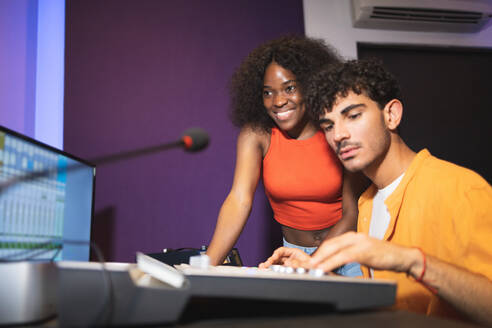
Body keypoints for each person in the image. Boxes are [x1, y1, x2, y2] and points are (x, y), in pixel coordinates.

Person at [260, 58, 492, 325]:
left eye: (353, 116)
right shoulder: (367, 204)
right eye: (329, 125)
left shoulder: (460, 188)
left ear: (391, 115)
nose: (339, 135)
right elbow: (390, 305)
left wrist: (412, 261)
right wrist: (312, 273)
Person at [206, 36, 365, 276]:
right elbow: (239, 201)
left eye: (289, 88)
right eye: (268, 92)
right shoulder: (257, 135)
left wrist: (312, 262)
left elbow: (352, 213)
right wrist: (205, 268)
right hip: (294, 253)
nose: (279, 101)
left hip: (348, 253)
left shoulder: (336, 130)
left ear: (310, 85)